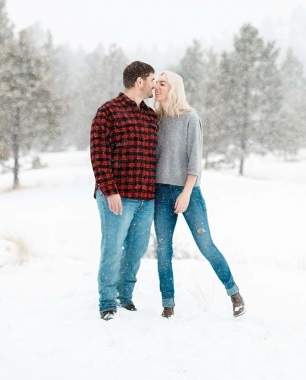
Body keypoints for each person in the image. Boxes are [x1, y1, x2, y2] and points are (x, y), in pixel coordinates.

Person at [153, 70, 245, 318]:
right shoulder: (155, 119)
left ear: (174, 88)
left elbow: (195, 161)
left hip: (188, 192)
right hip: (160, 192)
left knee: (206, 245)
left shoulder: (190, 118)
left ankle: (234, 293)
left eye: (162, 84)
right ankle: (168, 305)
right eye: (155, 84)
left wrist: (185, 193)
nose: (156, 88)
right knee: (163, 250)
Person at [90, 61, 158, 321]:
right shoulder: (108, 111)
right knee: (112, 247)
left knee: (136, 249)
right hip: (119, 196)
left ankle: (125, 296)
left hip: (146, 198)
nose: (154, 85)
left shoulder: (150, 115)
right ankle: (107, 301)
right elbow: (99, 153)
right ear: (139, 81)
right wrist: (110, 191)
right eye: (152, 79)